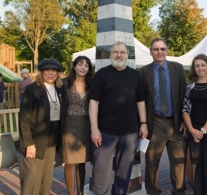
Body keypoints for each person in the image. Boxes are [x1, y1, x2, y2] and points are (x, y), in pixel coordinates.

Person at [88, 41, 148, 194]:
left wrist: (143, 123)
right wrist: (94, 128)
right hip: (104, 133)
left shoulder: (135, 76)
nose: (119, 54)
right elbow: (93, 102)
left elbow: (141, 102)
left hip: (130, 133)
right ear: (110, 55)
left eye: (122, 52)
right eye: (115, 52)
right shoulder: (101, 75)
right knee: (101, 173)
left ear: (127, 55)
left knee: (124, 173)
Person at [139, 38, 187, 195]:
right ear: (151, 51)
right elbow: (141, 99)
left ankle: (179, 191)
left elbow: (184, 96)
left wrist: (185, 121)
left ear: (167, 50)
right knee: (152, 161)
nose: (159, 52)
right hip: (156, 123)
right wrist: (143, 123)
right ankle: (152, 191)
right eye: (156, 49)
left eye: (162, 49)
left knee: (179, 162)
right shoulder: (144, 72)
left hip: (176, 123)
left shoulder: (177, 68)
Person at [19, 58, 66, 195]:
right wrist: (28, 143)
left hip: (51, 141)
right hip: (34, 141)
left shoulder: (60, 89)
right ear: (41, 72)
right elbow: (24, 119)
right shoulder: (32, 89)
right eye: (47, 70)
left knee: (46, 180)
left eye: (54, 70)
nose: (51, 73)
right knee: (31, 178)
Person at [182, 54, 207, 195]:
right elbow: (185, 109)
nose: (200, 68)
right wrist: (193, 130)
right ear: (194, 68)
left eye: (203, 65)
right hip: (194, 130)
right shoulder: (190, 86)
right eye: (197, 65)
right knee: (196, 164)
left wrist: (203, 131)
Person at [62, 56, 93, 195]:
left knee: (81, 162)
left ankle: (81, 192)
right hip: (68, 126)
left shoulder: (91, 85)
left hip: (86, 126)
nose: (83, 67)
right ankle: (71, 193)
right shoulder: (64, 83)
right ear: (74, 66)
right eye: (80, 64)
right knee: (69, 162)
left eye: (86, 65)